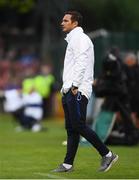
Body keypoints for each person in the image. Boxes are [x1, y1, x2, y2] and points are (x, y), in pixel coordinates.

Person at [53, 11, 118, 173]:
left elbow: (82, 62)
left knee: (78, 125)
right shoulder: (73, 39)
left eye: (66, 20)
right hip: (70, 89)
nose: (62, 23)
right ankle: (68, 164)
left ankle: (107, 154)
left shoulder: (81, 39)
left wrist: (74, 85)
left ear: (75, 24)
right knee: (72, 128)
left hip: (77, 89)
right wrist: (66, 88)